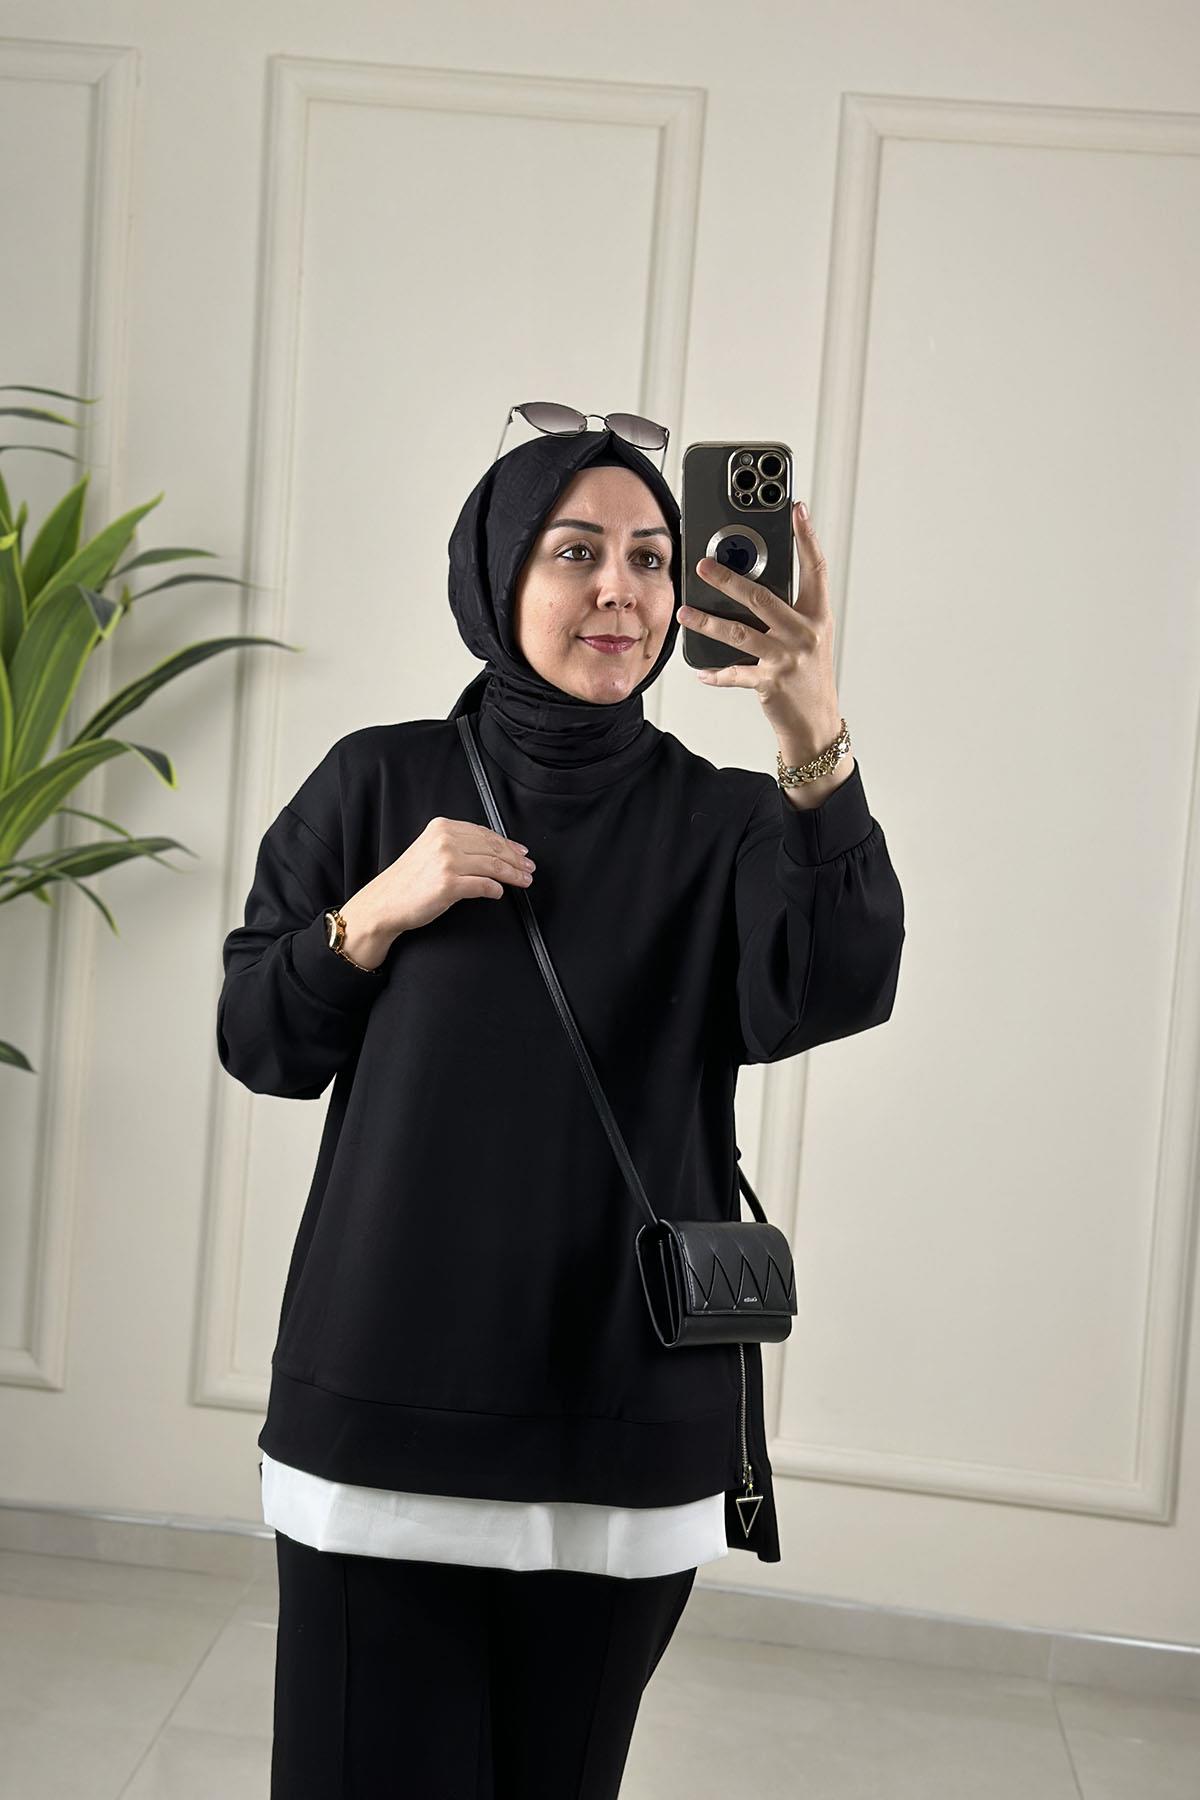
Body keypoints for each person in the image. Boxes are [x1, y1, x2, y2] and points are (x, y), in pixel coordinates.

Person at [216, 421, 906, 1797]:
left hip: (624, 1412)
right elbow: (260, 1042)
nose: (620, 590)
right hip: (385, 1404)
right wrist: (373, 914)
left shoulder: (729, 819)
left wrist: (811, 729)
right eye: (575, 550)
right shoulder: (375, 783)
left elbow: (833, 991)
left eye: (651, 558)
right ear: (496, 571)